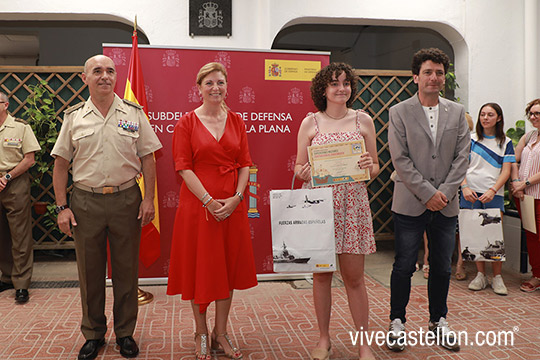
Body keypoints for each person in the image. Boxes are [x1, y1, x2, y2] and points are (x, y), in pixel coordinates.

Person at [52, 55, 162, 360]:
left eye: (110, 71)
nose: (104, 76)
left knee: (126, 270)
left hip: (126, 199)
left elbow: (149, 158)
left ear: (116, 76)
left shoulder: (133, 113)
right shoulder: (74, 117)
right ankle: (94, 334)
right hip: (85, 202)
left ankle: (125, 333)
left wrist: (149, 198)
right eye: (97, 71)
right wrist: (62, 207)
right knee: (90, 272)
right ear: (85, 77)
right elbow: (61, 165)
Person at [167, 62, 257, 360]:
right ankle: (201, 332)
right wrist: (208, 200)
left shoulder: (237, 121)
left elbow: (245, 163)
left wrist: (237, 197)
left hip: (232, 208)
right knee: (200, 270)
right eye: (209, 83)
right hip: (198, 208)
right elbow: (183, 167)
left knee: (227, 271)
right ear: (199, 88)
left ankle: (221, 333)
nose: (215, 88)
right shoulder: (186, 123)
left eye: (220, 82)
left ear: (226, 86)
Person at [387, 48, 470, 352]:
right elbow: (400, 159)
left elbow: (463, 157)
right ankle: (397, 322)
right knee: (404, 264)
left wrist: (444, 193)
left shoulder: (457, 112)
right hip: (410, 203)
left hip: (446, 204)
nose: (434, 78)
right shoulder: (399, 112)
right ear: (415, 77)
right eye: (428, 72)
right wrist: (427, 193)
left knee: (442, 267)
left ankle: (438, 321)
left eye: (439, 73)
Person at [295, 62, 379, 360]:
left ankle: (363, 343)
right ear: (323, 89)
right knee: (322, 277)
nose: (341, 88)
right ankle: (323, 339)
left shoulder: (363, 121)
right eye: (334, 83)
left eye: (345, 83)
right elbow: (298, 167)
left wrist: (370, 167)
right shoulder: (310, 123)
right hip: (320, 208)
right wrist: (304, 172)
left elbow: (375, 167)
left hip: (353, 207)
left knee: (355, 279)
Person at [461, 103, 514, 295]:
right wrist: (465, 187)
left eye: (490, 115)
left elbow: (506, 170)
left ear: (498, 118)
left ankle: (497, 278)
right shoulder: (470, 139)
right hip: (470, 193)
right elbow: (460, 166)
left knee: (493, 236)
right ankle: (480, 275)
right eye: (482, 114)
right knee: (475, 234)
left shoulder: (505, 142)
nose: (485, 118)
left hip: (494, 194)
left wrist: (493, 190)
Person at [0, 91, 40, 304]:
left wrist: (7, 176)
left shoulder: (20, 127)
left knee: (20, 235)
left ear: (5, 104)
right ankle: (7, 277)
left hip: (15, 183)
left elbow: (29, 158)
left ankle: (22, 284)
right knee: (2, 236)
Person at [511, 98, 540, 293]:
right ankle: (536, 275)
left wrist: (526, 183)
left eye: (537, 113)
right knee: (532, 235)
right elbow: (513, 159)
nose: (533, 117)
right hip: (524, 197)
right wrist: (516, 184)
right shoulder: (528, 136)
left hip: (537, 194)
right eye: (531, 113)